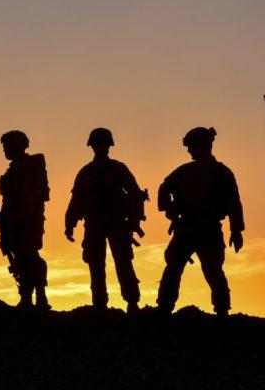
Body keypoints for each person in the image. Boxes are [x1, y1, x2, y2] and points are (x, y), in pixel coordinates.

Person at [156, 127, 244, 317]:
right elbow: (163, 189)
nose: (189, 151)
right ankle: (164, 307)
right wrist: (169, 210)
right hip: (186, 227)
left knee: (213, 269)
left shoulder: (221, 172)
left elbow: (233, 203)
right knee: (173, 266)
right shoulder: (186, 171)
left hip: (209, 228)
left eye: (191, 146)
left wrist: (236, 230)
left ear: (202, 145)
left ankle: (222, 310)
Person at [65, 128, 146, 313]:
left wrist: (135, 220)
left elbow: (135, 194)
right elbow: (76, 199)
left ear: (109, 146)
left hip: (117, 223)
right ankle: (99, 304)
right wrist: (69, 223)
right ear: (92, 146)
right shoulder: (86, 172)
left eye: (103, 144)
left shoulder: (118, 168)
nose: (100, 148)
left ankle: (132, 301)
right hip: (93, 224)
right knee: (95, 265)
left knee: (123, 263)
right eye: (97, 144)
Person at [0, 130, 50, 310]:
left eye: (6, 145)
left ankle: (41, 296)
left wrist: (22, 220)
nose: (4, 149)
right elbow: (7, 201)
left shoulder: (33, 164)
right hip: (13, 222)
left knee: (31, 256)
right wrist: (5, 228)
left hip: (29, 221)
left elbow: (36, 196)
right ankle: (26, 297)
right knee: (20, 258)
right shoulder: (10, 173)